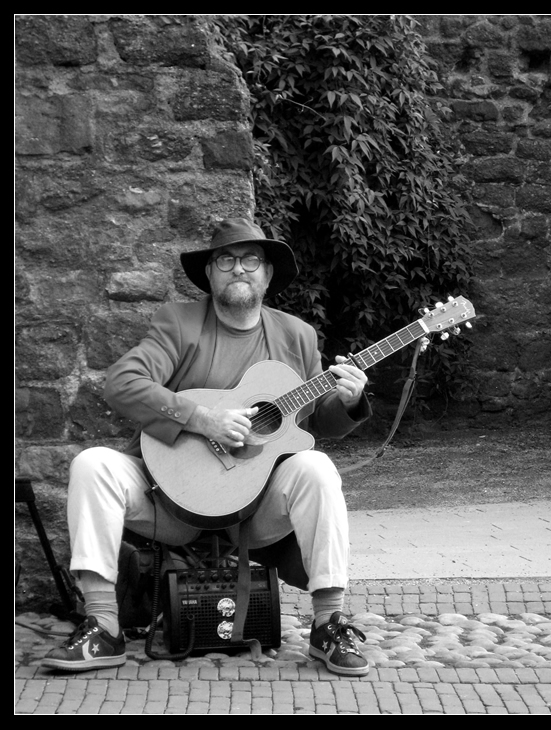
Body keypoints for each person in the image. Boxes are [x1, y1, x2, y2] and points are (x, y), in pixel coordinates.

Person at [43, 217, 372, 677]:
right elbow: (121, 384)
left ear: (268, 273)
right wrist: (202, 419)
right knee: (92, 464)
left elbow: (317, 422)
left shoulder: (297, 336)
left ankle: (328, 623)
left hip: (254, 511)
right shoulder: (179, 323)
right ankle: (102, 626)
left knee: (317, 467)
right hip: (171, 504)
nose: (239, 268)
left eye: (251, 259)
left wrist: (349, 400)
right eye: (226, 259)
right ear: (211, 273)